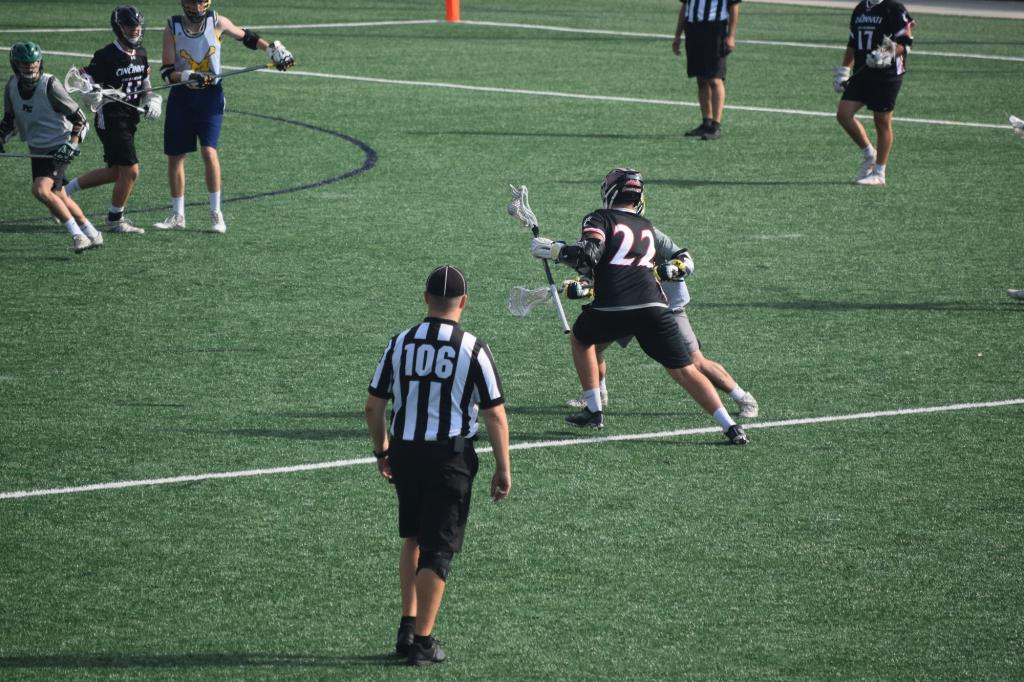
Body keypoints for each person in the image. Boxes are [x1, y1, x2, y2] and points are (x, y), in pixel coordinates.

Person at [530, 167, 748, 445]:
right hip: (654, 305)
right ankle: (731, 427)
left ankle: (594, 410)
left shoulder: (599, 218)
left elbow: (589, 256)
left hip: (614, 304)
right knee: (685, 370)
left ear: (610, 191)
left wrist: (556, 250)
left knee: (581, 339)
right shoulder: (646, 226)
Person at [366, 265, 511, 667]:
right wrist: (503, 467)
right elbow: (494, 414)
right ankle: (423, 643)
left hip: (406, 452)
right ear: (464, 302)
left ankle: (407, 626)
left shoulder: (399, 343)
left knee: (413, 536)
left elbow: (373, 407)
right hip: (449, 457)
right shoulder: (473, 348)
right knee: (438, 549)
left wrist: (382, 452)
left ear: (425, 298)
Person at [563, 234, 759, 419]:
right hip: (626, 306)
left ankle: (744, 398)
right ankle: (597, 394)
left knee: (695, 361)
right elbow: (596, 273)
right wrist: (582, 285)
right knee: (592, 348)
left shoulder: (648, 233)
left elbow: (686, 260)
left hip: (664, 308)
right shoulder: (604, 231)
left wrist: (672, 269)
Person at [153, 0, 294, 233]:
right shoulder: (172, 26)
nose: (197, 7)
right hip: (182, 97)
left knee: (209, 151)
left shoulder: (216, 21)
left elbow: (247, 37)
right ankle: (178, 215)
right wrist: (189, 75)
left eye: (200, 2)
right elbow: (167, 72)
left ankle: (216, 213)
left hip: (210, 98)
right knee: (176, 156)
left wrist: (273, 51)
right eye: (192, 2)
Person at [64, 5, 162, 235]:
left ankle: (63, 191)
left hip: (130, 118)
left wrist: (152, 100)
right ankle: (115, 219)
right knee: (131, 171)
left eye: (137, 26)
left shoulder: (141, 54)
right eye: (129, 26)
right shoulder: (106, 55)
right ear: (119, 28)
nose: (135, 30)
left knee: (115, 172)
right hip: (111, 118)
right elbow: (83, 79)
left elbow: (145, 84)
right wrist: (91, 91)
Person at [0, 42, 103, 253]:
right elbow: (9, 121)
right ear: (15, 64)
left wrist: (72, 144)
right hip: (37, 148)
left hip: (58, 146)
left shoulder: (50, 85)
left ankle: (78, 236)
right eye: (24, 63)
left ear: (40, 62)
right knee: (59, 194)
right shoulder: (11, 86)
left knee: (40, 190)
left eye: (34, 62)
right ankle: (93, 234)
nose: (30, 66)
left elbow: (80, 119)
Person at [833, 0, 915, 186]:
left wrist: (885, 53)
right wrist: (844, 70)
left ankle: (879, 173)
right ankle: (870, 154)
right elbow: (853, 42)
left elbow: (906, 43)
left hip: (887, 74)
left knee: (881, 121)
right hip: (863, 72)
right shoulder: (860, 8)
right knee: (844, 114)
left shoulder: (893, 8)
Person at [672, 0, 740, 141]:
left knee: (715, 79)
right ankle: (706, 122)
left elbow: (734, 6)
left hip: (715, 30)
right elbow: (685, 6)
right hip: (693, 29)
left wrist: (731, 36)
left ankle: (715, 126)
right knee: (701, 79)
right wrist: (677, 35)